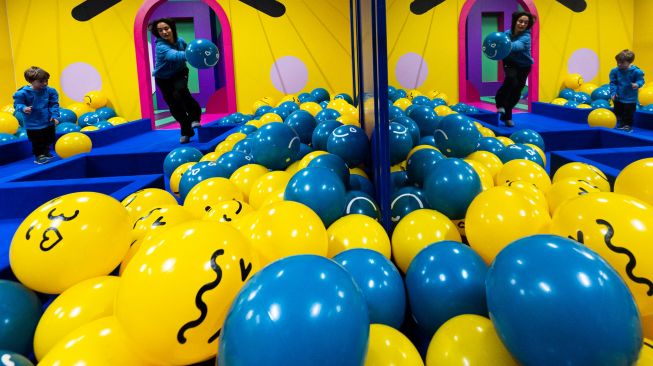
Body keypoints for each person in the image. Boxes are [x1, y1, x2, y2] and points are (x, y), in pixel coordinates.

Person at [149, 18, 202, 143]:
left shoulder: (180, 41)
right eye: (160, 30)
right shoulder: (160, 46)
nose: (164, 32)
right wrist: (191, 55)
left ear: (172, 28)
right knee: (174, 105)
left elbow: (188, 50)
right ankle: (186, 132)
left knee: (181, 91)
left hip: (179, 73)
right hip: (163, 78)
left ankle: (195, 118)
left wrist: (197, 54)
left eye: (166, 28)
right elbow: (174, 56)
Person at [495, 11, 536, 127]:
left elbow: (518, 46)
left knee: (516, 91)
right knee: (511, 79)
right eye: (520, 21)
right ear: (515, 21)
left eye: (526, 23)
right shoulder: (506, 34)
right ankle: (500, 105)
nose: (522, 24)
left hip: (524, 66)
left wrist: (504, 44)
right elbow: (498, 44)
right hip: (510, 62)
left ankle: (506, 116)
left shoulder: (526, 36)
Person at [13, 66, 60, 164]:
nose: (45, 83)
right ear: (31, 81)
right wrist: (23, 108)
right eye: (41, 81)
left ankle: (46, 152)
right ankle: (39, 155)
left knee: (49, 138)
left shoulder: (50, 91)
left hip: (48, 121)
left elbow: (54, 104)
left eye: (46, 80)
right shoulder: (22, 93)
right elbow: (17, 104)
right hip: (33, 124)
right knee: (37, 141)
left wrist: (54, 115)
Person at [609, 49, 645, 132]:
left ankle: (628, 126)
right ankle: (619, 125)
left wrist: (637, 84)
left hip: (630, 98)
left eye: (622, 63)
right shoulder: (615, 71)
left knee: (628, 113)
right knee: (618, 112)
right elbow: (613, 83)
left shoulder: (636, 72)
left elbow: (641, 81)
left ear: (630, 62)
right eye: (617, 62)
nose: (619, 64)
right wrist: (613, 92)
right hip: (618, 96)